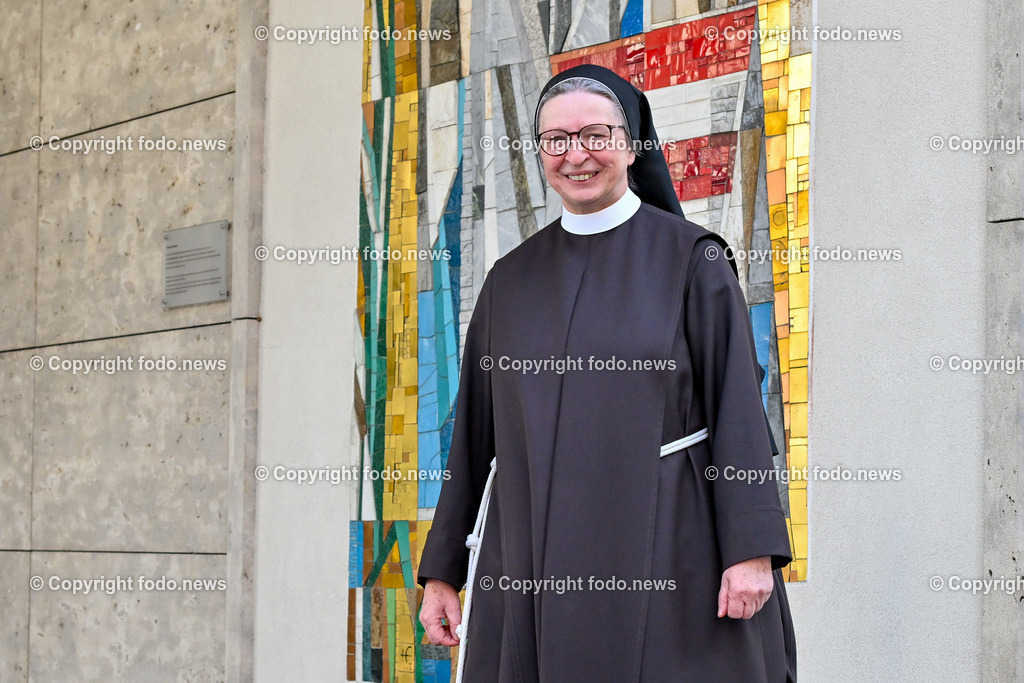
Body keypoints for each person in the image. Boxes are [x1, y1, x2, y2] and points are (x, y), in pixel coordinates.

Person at [417, 63, 797, 681]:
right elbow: (473, 441)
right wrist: (442, 571)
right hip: (534, 554)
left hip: (672, 547)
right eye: (557, 140)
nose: (577, 156)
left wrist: (752, 549)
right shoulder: (508, 283)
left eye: (595, 135)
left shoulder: (693, 261)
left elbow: (738, 410)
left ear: (630, 144)